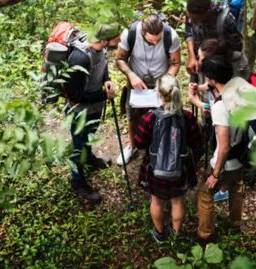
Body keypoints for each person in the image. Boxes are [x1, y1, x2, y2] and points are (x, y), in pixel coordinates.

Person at [196, 55, 256, 244]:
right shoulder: (238, 88)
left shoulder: (221, 107)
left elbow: (224, 146)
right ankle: (235, 223)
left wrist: (216, 174)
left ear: (212, 79)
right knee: (236, 188)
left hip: (225, 161)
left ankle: (206, 235)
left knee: (205, 194)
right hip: (242, 155)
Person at [135, 75, 203, 242]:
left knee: (156, 200)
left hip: (154, 168)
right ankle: (176, 234)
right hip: (180, 169)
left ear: (158, 93)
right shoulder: (187, 117)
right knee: (177, 200)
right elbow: (197, 143)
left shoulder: (149, 118)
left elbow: (139, 143)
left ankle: (159, 233)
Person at [63, 23, 121, 204]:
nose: (119, 41)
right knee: (78, 144)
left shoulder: (100, 48)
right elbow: (74, 95)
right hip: (79, 111)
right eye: (116, 39)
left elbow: (102, 67)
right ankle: (77, 181)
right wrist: (104, 95)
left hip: (94, 105)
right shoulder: (80, 58)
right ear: (104, 40)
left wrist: (107, 80)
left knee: (89, 135)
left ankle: (89, 159)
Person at [115, 14, 182, 165]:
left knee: (166, 115)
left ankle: (164, 146)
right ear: (142, 33)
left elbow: (176, 63)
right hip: (137, 84)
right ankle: (132, 146)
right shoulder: (129, 34)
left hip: (162, 84)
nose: (156, 42)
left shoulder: (171, 35)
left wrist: (165, 81)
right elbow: (120, 59)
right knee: (133, 116)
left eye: (158, 39)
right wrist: (131, 75)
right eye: (151, 40)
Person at [185, 0, 243, 76]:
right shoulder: (191, 12)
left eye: (196, 20)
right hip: (199, 64)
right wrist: (192, 57)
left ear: (207, 13)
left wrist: (212, 53)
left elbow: (237, 48)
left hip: (220, 69)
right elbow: (189, 33)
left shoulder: (225, 19)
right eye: (190, 18)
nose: (192, 22)